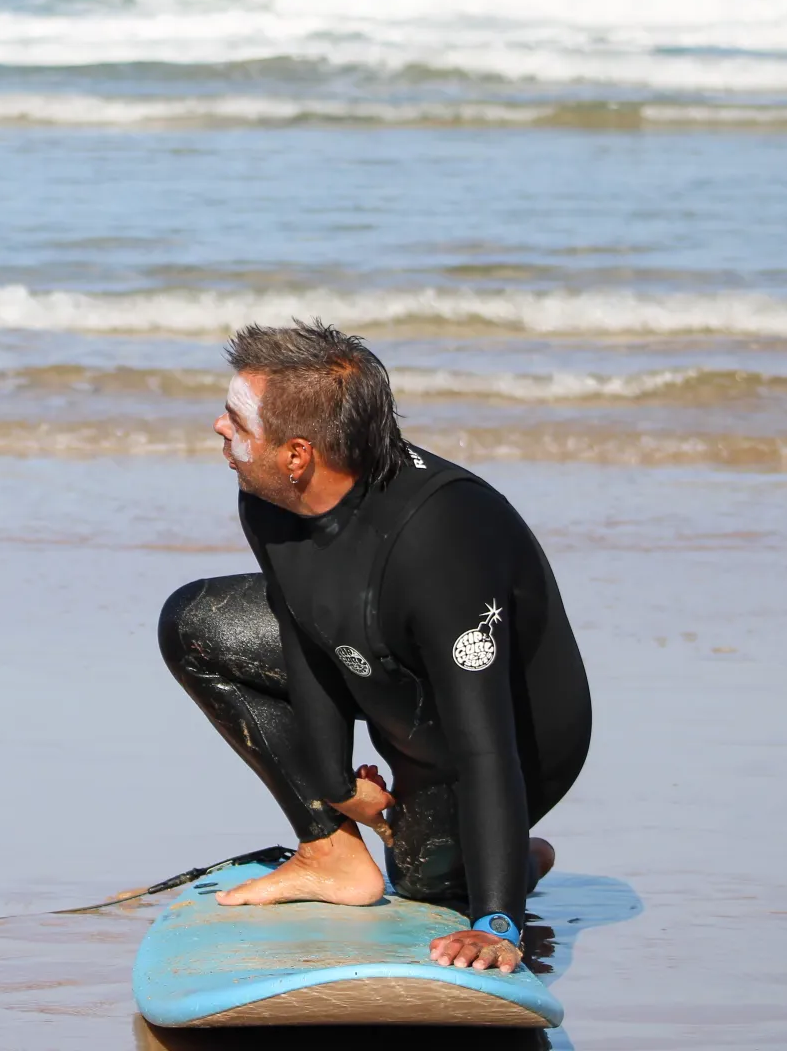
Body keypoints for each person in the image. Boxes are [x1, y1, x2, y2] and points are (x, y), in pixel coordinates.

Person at [158, 322, 591, 975]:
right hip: (381, 664)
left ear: (297, 454)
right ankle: (329, 855)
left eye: (235, 419)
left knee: (424, 885)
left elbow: (486, 745)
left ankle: (512, 858)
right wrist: (334, 786)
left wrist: (497, 921)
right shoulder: (270, 497)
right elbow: (304, 628)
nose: (221, 428)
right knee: (194, 626)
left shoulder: (444, 542)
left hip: (503, 737)